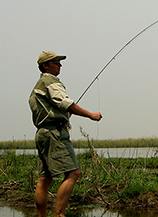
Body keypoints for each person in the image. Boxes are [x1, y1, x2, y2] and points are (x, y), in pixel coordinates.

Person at [29, 51, 102, 217]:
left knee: (44, 179)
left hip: (42, 133)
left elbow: (47, 109)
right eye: (56, 62)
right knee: (73, 173)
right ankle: (59, 214)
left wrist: (62, 114)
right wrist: (90, 115)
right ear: (45, 66)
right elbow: (65, 103)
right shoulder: (51, 81)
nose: (60, 65)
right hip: (55, 134)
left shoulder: (37, 86)